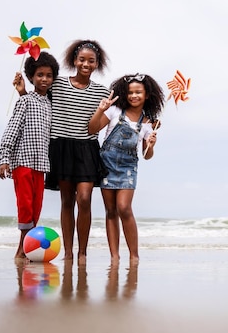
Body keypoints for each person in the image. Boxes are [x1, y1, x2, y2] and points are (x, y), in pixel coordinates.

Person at [14, 40, 110, 264]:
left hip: (86, 149)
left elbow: (112, 117)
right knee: (67, 201)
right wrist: (22, 92)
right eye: (82, 59)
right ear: (74, 60)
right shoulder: (56, 84)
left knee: (84, 199)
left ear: (97, 64)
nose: (86, 64)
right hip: (60, 147)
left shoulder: (101, 92)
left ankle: (82, 252)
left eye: (91, 60)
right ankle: (68, 252)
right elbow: (37, 106)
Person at [88, 73, 165, 265]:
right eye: (130, 92)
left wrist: (152, 144)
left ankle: (134, 255)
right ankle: (114, 256)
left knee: (124, 208)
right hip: (106, 165)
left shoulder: (148, 123)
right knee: (111, 211)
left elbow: (146, 155)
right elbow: (92, 128)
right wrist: (100, 109)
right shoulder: (114, 111)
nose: (134, 96)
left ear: (147, 95)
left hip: (128, 168)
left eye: (138, 92)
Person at [0, 51, 60, 260]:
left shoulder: (50, 104)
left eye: (49, 75)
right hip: (22, 162)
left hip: (41, 164)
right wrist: (4, 159)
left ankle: (26, 247)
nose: (44, 79)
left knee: (36, 207)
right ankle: (22, 248)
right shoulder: (25, 101)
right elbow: (12, 130)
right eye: (40, 74)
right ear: (31, 76)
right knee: (25, 205)